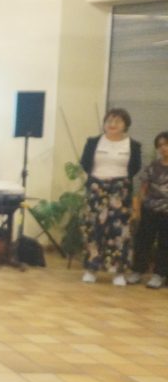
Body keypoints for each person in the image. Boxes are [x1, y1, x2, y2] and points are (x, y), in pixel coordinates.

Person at [79, 108, 142, 286]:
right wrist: (99, 181)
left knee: (119, 231)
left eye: (117, 121)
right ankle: (91, 269)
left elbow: (135, 167)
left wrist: (117, 182)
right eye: (109, 121)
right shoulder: (93, 142)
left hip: (120, 190)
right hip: (96, 188)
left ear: (125, 125)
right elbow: (85, 163)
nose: (112, 124)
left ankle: (118, 271)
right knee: (93, 228)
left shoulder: (133, 145)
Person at [127, 131, 168, 289]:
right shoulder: (152, 166)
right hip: (150, 209)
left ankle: (159, 274)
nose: (164, 148)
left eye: (166, 144)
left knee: (165, 244)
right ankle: (137, 271)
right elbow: (143, 189)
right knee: (143, 241)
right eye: (160, 145)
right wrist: (139, 208)